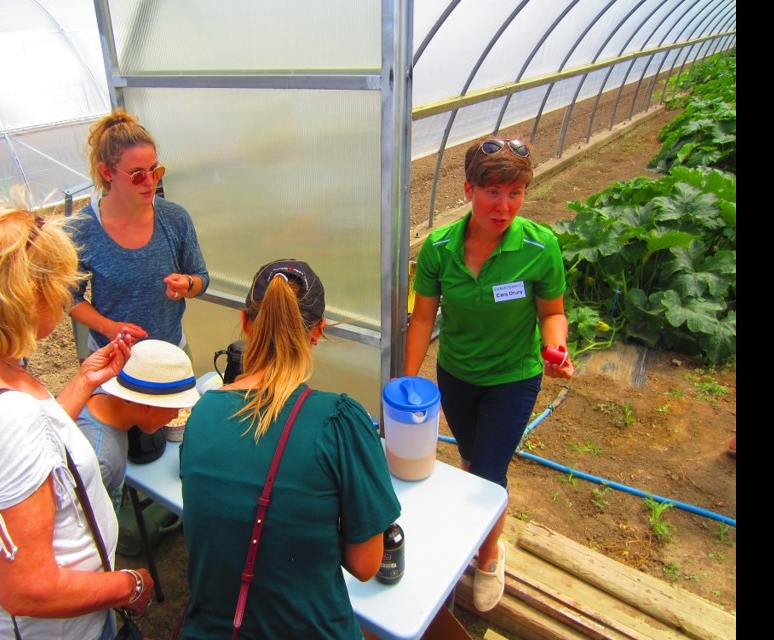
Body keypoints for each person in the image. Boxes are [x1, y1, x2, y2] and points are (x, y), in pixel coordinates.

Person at [0, 205, 154, 639]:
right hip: (64, 629)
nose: (65, 299)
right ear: (21, 295)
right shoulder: (7, 416)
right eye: (58, 285)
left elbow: (30, 456)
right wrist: (128, 584)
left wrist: (83, 380)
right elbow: (30, 588)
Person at [179, 259, 401, 639]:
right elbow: (367, 565)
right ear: (319, 331)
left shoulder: (201, 415)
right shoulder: (341, 422)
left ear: (246, 323)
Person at [403, 137, 575, 613]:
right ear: (468, 190)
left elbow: (553, 313)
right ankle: (477, 523)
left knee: (489, 473)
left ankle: (488, 553)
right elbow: (422, 320)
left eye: (515, 193)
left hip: (512, 378)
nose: (505, 206)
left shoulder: (541, 247)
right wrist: (406, 381)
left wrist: (556, 347)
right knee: (473, 459)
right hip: (456, 374)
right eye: (493, 192)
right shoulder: (439, 248)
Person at [67, 108, 209, 359]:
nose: (150, 182)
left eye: (155, 170)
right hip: (110, 356)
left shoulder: (175, 218)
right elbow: (68, 297)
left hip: (170, 352)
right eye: (137, 175)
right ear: (107, 173)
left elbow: (200, 277)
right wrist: (108, 327)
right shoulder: (82, 229)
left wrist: (187, 284)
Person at [76, 338, 200, 499]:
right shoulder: (101, 460)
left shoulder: (98, 396)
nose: (176, 415)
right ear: (147, 405)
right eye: (175, 408)